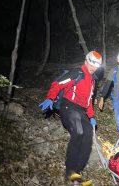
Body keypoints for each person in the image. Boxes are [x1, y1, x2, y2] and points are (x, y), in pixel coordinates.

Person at [39, 50, 102, 184]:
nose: (93, 67)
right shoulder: (77, 73)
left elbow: (89, 101)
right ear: (86, 61)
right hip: (68, 107)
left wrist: (91, 116)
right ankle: (69, 170)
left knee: (88, 137)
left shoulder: (93, 81)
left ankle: (77, 172)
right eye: (91, 63)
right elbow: (57, 84)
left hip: (82, 111)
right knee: (78, 132)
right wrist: (50, 98)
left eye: (96, 65)